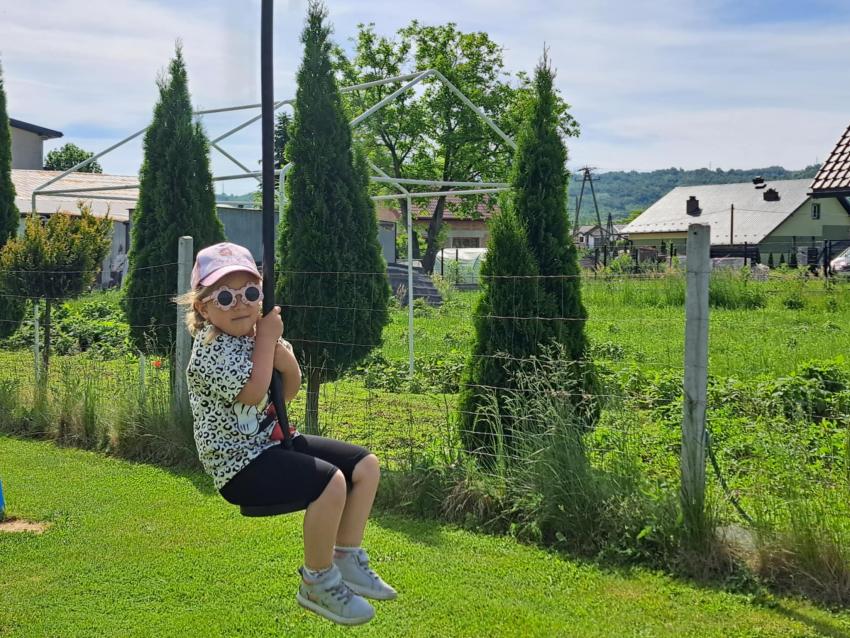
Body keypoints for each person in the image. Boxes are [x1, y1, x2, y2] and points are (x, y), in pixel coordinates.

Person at [178, 242, 396, 626]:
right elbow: (252, 394)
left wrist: (285, 358)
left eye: (250, 293)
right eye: (225, 297)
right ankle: (317, 581)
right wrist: (267, 343)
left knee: (365, 466)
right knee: (330, 482)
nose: (240, 304)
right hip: (239, 466)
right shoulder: (209, 351)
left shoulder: (262, 334)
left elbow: (286, 393)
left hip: (275, 444)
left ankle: (346, 557)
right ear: (203, 308)